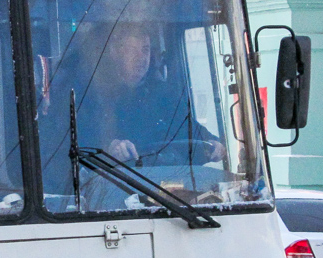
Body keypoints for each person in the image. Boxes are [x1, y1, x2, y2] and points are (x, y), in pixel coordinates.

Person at [77, 23, 223, 166]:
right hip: (116, 182)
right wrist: (110, 148)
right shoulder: (93, 94)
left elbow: (186, 126)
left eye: (145, 50)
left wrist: (212, 142)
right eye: (132, 50)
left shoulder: (163, 93)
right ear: (115, 53)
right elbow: (81, 140)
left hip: (164, 182)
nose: (141, 58)